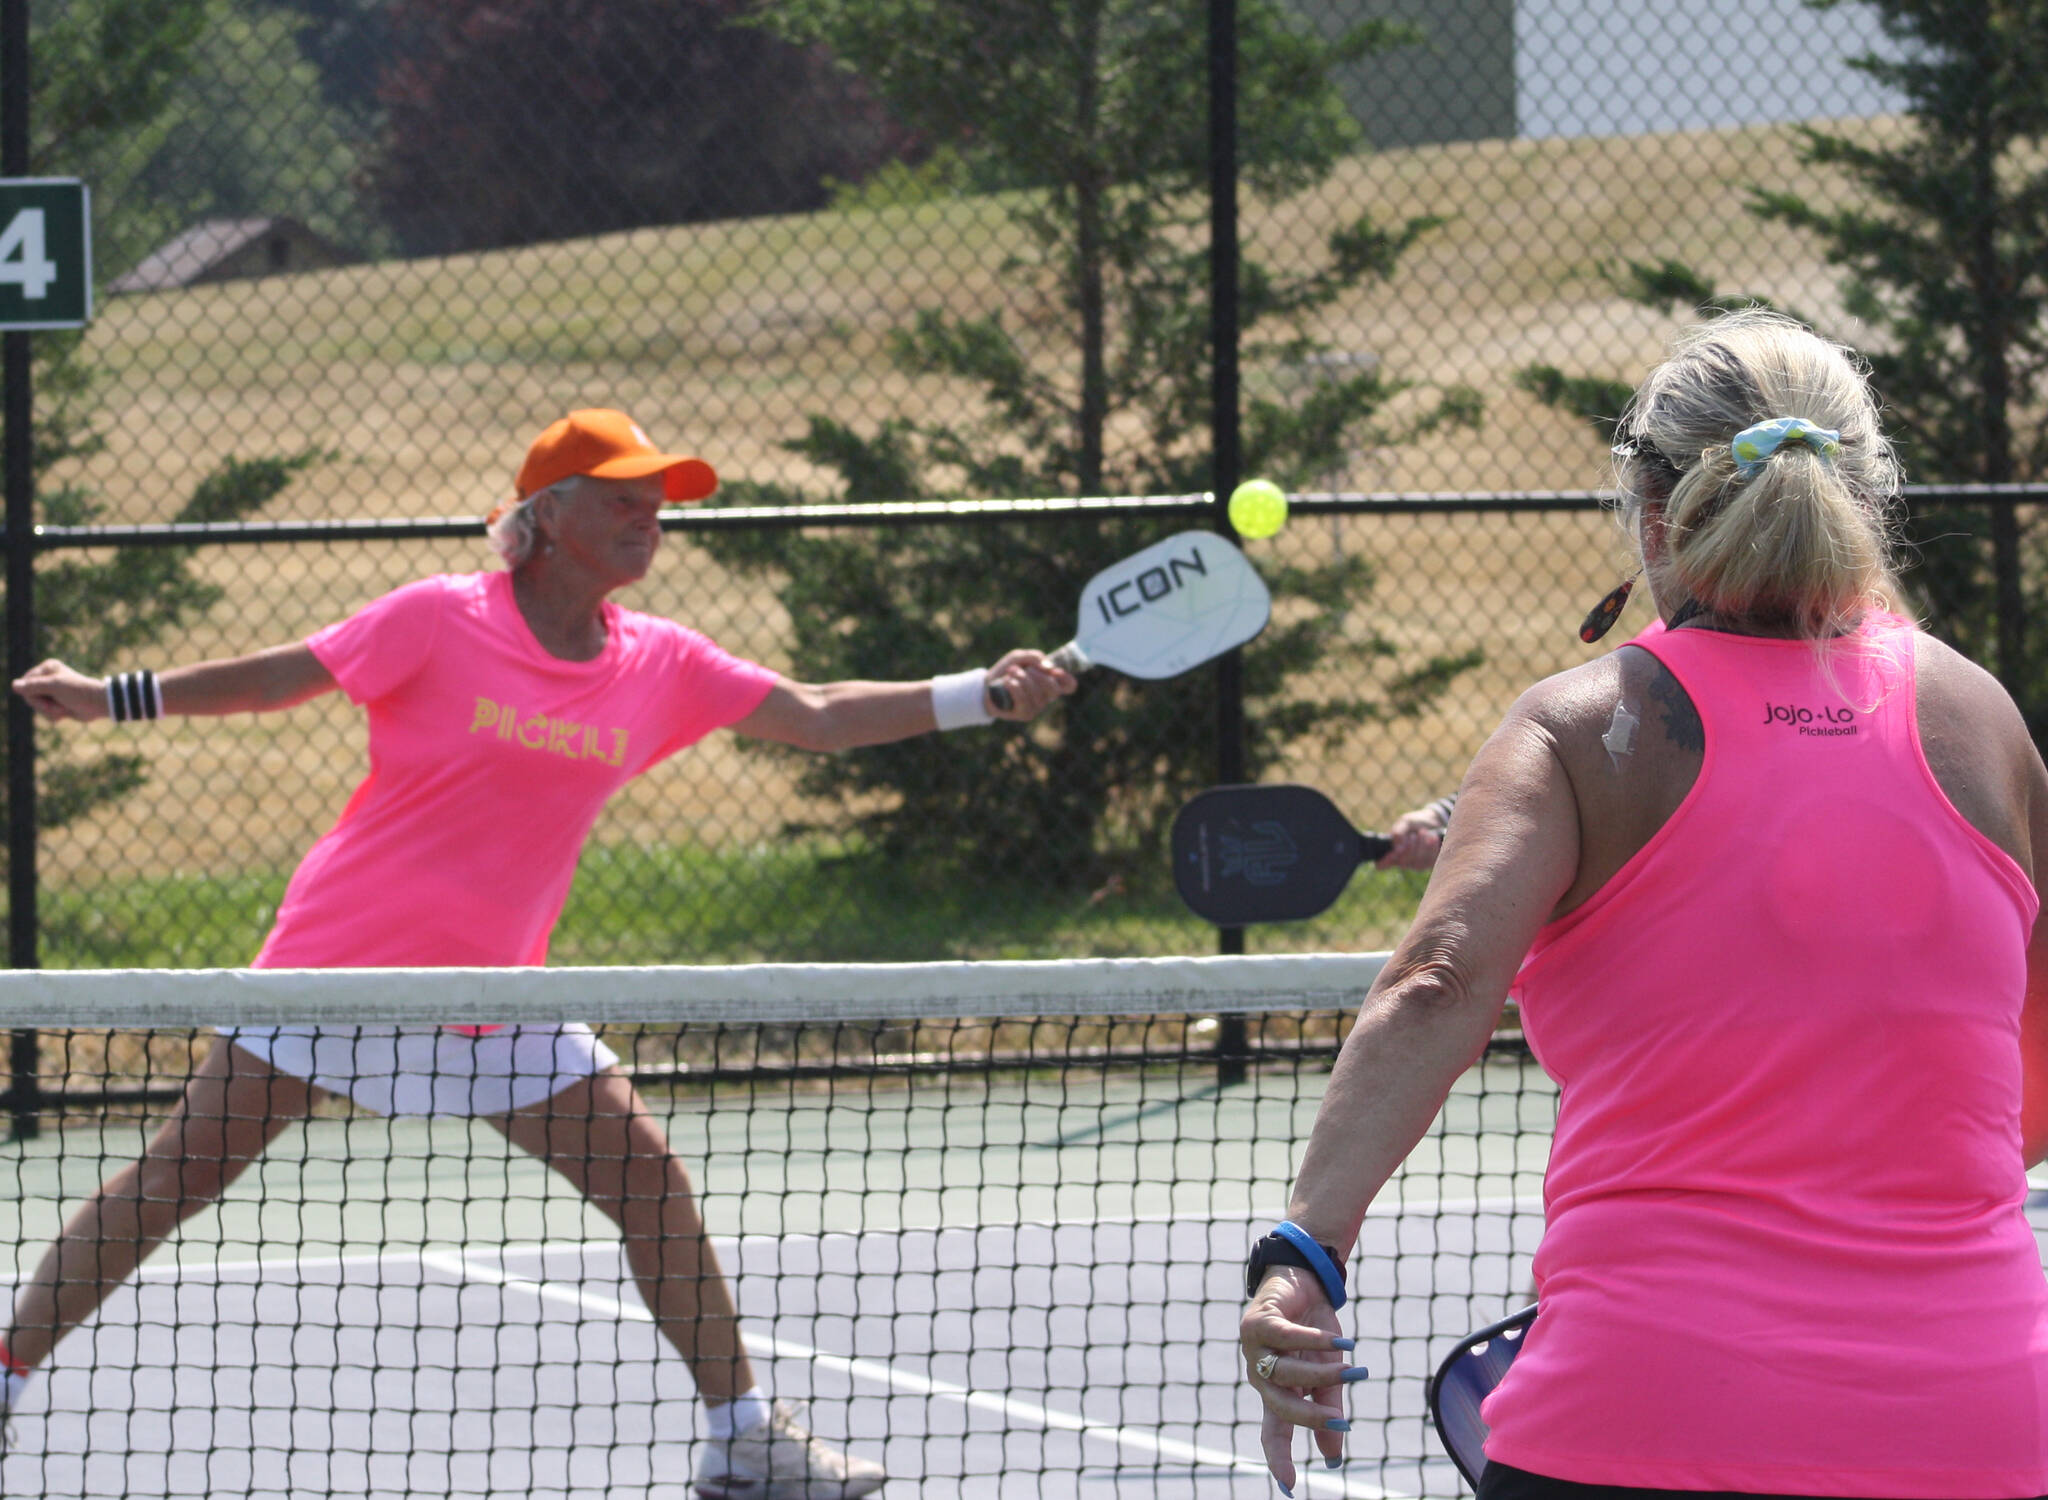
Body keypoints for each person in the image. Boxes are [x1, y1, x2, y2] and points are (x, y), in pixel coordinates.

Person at [6, 409, 1075, 1499]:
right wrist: (110, 698)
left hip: (497, 992)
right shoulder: (436, 617)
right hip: (340, 966)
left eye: (655, 502)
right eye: (619, 496)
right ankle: (1, 1378)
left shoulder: (659, 662)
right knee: (176, 1180)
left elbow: (816, 714)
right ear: (547, 513)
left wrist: (977, 696)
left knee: (649, 1181)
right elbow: (287, 674)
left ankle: (745, 1439)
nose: (646, 517)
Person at [1237, 310, 2048, 1498]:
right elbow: (2019, 1095)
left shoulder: (1575, 730)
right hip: (1976, 1428)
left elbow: (1436, 985)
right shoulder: (1983, 724)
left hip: (1638, 1409)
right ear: (1863, 497)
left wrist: (1306, 1246)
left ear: (1654, 513)